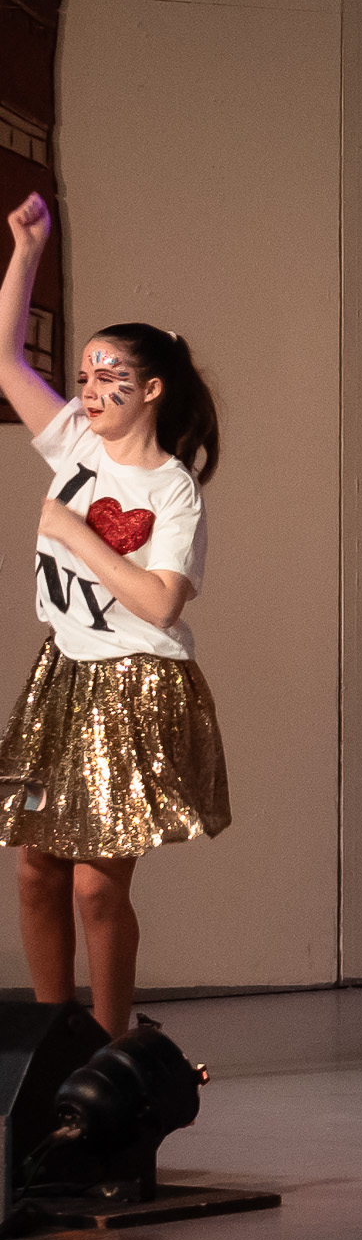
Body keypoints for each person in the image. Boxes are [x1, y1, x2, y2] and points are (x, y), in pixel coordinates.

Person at [0, 199, 222, 1044]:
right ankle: (51, 1040)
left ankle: (108, 1042)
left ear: (151, 388)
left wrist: (76, 534)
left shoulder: (172, 488)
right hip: (64, 676)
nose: (89, 392)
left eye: (107, 377)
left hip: (135, 687)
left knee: (97, 885)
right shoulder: (75, 447)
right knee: (36, 868)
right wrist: (26, 253)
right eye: (85, 378)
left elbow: (161, 600)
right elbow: (5, 360)